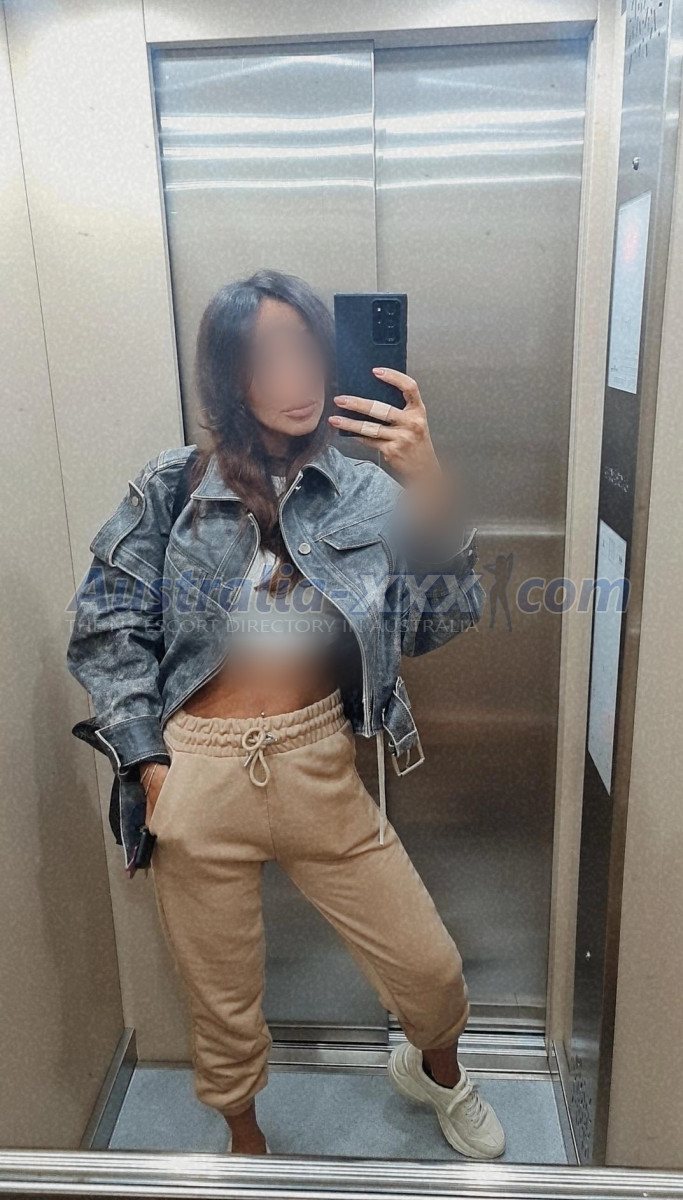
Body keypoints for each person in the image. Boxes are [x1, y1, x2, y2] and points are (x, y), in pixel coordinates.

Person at [66, 268, 504, 1159]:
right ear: (230, 374)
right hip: (195, 770)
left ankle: (438, 1073)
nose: (294, 375)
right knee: (221, 999)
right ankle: (246, 1143)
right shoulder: (172, 486)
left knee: (427, 967)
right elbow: (108, 623)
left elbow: (432, 623)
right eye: (268, 355)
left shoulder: (367, 492)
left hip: (316, 762)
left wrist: (428, 486)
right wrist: (149, 764)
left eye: (306, 350)